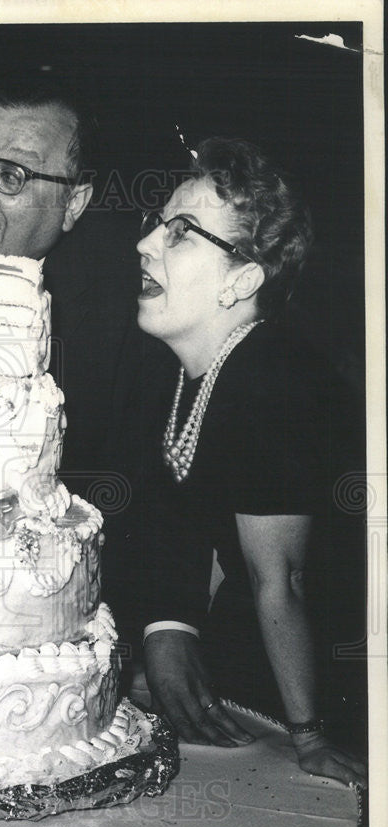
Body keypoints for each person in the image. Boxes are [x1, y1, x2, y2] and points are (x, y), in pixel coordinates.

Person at [137, 137, 366, 786]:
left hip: (332, 670)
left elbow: (283, 581)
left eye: (180, 233)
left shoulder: (273, 382)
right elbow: (205, 532)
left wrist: (310, 736)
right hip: (249, 655)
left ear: (242, 279)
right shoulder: (196, 363)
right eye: (157, 222)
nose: (147, 242)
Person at [0, 72, 168, 671]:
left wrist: (165, 624)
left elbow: (149, 492)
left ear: (75, 203)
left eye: (12, 174)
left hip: (53, 654)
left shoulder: (123, 318)